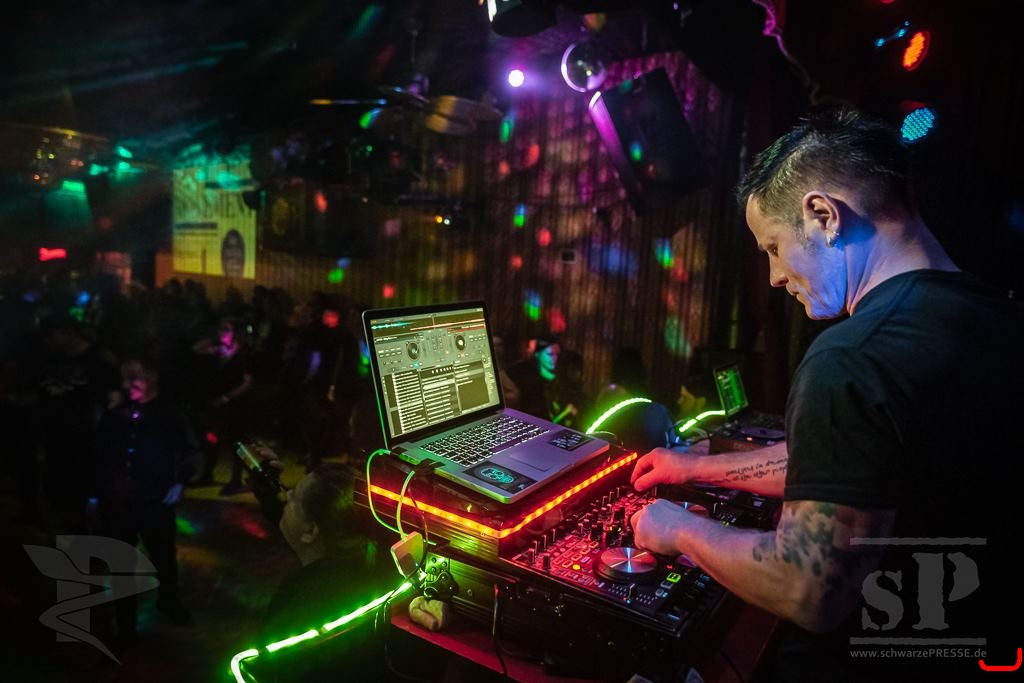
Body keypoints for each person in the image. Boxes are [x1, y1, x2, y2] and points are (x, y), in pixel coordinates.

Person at [628, 108, 1023, 682]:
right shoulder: (998, 317)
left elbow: (805, 588)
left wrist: (678, 529)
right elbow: (852, 463)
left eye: (773, 246)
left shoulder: (852, 357)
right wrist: (693, 468)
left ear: (823, 215)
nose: (774, 276)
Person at [246, 461, 400, 681]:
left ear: (311, 531)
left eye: (293, 498)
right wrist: (268, 493)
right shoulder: (377, 569)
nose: (286, 495)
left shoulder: (296, 617)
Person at [91, 357, 201, 645]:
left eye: (132, 378)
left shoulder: (171, 415)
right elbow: (98, 454)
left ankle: (169, 599)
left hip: (155, 500)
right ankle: (126, 628)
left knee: (163, 555)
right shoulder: (115, 415)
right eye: (123, 379)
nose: (126, 385)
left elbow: (192, 451)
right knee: (121, 562)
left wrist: (180, 482)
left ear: (152, 377)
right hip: (118, 504)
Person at [190, 316, 254, 495]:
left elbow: (248, 382)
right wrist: (216, 340)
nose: (221, 333)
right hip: (218, 403)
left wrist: (228, 397)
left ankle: (236, 479)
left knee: (236, 442)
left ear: (236, 333)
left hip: (235, 405)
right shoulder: (220, 351)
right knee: (211, 438)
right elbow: (196, 348)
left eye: (226, 329)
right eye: (221, 329)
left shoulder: (242, 355)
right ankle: (207, 474)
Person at [504, 334, 560, 419]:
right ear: (537, 354)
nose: (555, 358)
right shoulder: (526, 376)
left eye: (557, 354)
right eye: (550, 354)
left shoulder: (557, 376)